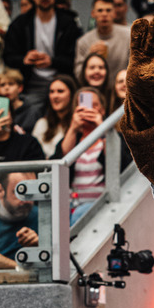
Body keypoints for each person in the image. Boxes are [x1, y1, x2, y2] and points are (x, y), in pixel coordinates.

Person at [2, 0, 79, 106]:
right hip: (31, 82)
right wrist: (24, 59)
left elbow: (75, 57)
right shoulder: (20, 23)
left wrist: (52, 61)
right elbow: (8, 56)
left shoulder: (68, 22)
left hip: (61, 79)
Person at [54, 86, 106, 222]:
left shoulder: (111, 138)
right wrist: (73, 128)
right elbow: (60, 162)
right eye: (83, 106)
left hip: (101, 206)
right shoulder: (71, 139)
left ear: (102, 110)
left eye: (94, 105)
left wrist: (102, 127)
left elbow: (117, 160)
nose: (88, 110)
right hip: (72, 206)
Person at [74, 0, 130, 81]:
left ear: (114, 13)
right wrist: (89, 57)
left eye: (108, 10)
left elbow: (136, 68)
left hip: (123, 88)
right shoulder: (83, 41)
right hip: (96, 90)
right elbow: (78, 75)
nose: (104, 14)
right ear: (93, 14)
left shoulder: (128, 36)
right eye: (100, 10)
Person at [31, 74, 77, 159]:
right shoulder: (42, 123)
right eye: (52, 92)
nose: (55, 96)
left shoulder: (78, 124)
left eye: (60, 91)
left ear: (71, 95)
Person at [0, 68, 40, 133]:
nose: (6, 88)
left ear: (20, 88)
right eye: (2, 85)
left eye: (11, 84)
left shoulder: (32, 111)